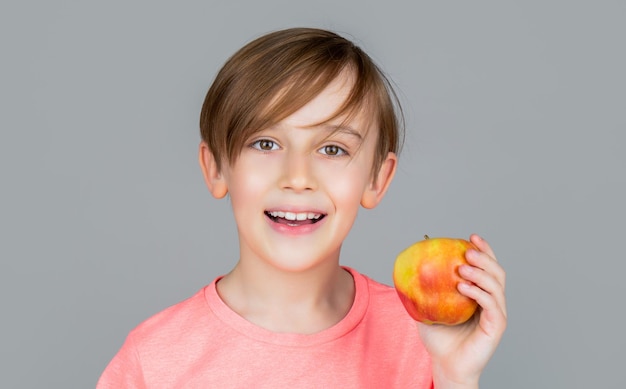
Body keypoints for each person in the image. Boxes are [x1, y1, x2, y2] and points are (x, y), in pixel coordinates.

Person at [97, 27, 507, 388]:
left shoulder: (422, 341)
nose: (297, 176)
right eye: (266, 144)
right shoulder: (153, 361)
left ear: (377, 179)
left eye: (332, 148)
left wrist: (456, 379)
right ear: (216, 167)